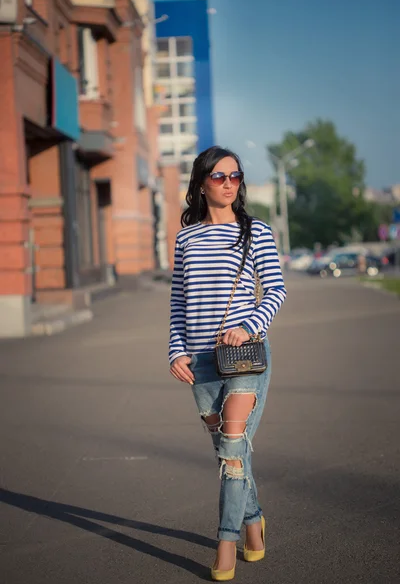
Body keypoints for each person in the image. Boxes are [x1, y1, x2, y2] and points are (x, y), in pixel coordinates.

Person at [169, 146, 286, 581]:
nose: (229, 184)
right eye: (219, 177)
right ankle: (254, 524)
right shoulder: (186, 238)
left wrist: (248, 326)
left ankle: (226, 542)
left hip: (244, 358)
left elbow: (275, 291)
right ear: (202, 183)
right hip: (199, 362)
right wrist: (175, 351)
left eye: (235, 176)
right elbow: (179, 302)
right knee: (229, 451)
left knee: (233, 447)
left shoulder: (256, 231)